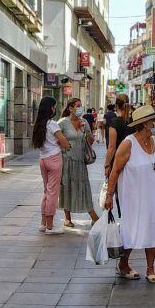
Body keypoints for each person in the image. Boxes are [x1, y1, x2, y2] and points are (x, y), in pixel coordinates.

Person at [102, 105, 155, 284]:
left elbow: (154, 164)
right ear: (146, 124)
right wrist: (109, 195)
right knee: (132, 230)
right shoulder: (128, 143)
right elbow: (115, 171)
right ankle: (123, 264)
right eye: (153, 119)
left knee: (153, 228)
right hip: (134, 197)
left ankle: (151, 269)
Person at [58, 97, 99, 227]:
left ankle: (93, 216)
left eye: (80, 105)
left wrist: (85, 131)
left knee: (84, 187)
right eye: (77, 105)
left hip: (80, 161)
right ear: (70, 108)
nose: (79, 108)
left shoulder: (84, 122)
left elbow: (91, 142)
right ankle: (67, 218)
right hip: (67, 160)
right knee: (67, 186)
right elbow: (55, 140)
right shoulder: (62, 123)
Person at [31, 96, 70, 232]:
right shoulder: (52, 124)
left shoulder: (39, 124)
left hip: (43, 160)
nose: (55, 109)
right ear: (50, 108)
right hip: (54, 159)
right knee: (53, 193)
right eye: (54, 106)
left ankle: (43, 223)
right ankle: (50, 226)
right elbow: (64, 142)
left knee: (47, 191)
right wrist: (65, 144)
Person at [104, 94, 133, 180]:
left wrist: (107, 165)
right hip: (132, 158)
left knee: (118, 189)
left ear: (116, 106)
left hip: (118, 160)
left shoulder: (115, 122)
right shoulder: (134, 122)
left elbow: (112, 147)